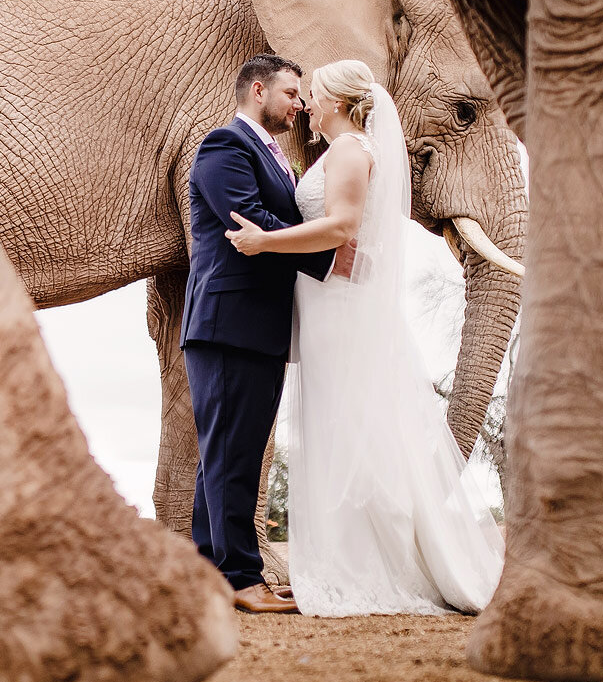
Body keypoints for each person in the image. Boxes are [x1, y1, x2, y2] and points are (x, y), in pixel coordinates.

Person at [226, 59, 504, 616]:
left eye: (314, 94)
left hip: (340, 307)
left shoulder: (351, 150)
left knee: (346, 425)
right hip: (331, 300)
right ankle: (353, 554)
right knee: (344, 423)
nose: (306, 104)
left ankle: (362, 563)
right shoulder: (344, 151)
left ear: (337, 101)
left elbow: (342, 227)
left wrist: (263, 243)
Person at [181, 54, 336, 614]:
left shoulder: (276, 156)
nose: (299, 104)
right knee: (233, 455)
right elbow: (246, 219)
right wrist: (330, 254)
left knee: (226, 453)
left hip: (256, 328)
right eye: (292, 93)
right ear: (257, 90)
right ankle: (243, 579)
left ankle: (210, 575)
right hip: (229, 324)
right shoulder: (225, 147)